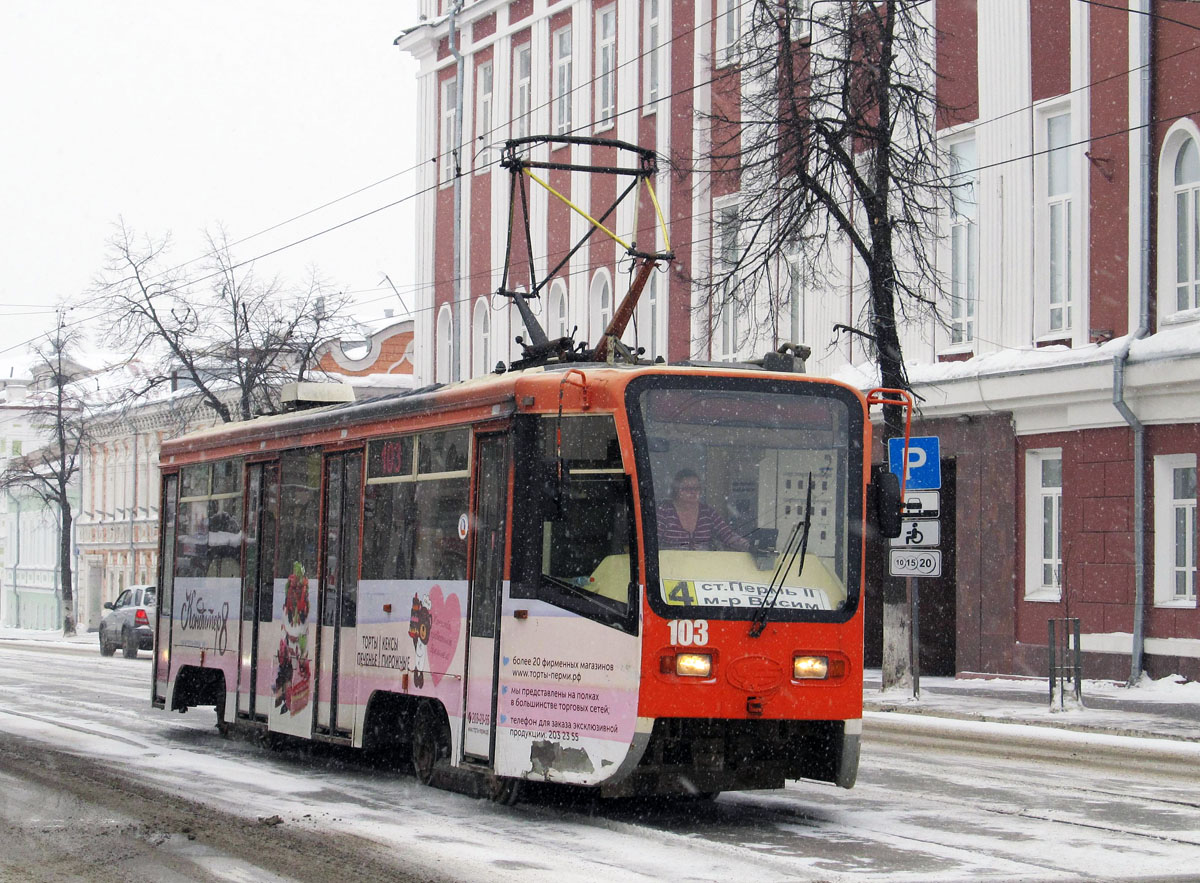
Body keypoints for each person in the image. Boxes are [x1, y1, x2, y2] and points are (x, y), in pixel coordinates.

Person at [657, 468, 750, 552]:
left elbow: (727, 536)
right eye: (687, 488)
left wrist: (750, 547)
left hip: (703, 567)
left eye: (696, 488)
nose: (693, 492)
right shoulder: (664, 512)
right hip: (671, 567)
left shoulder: (708, 512)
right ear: (676, 490)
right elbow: (651, 542)